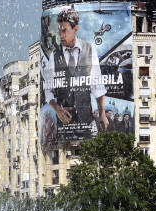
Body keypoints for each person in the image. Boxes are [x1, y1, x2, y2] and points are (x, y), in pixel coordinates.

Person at [43, 6, 108, 138]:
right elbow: (48, 90)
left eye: (64, 30)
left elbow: (98, 86)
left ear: (75, 29)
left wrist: (102, 113)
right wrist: (57, 108)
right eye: (59, 30)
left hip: (87, 122)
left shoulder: (89, 49)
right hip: (64, 125)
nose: (60, 34)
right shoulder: (54, 56)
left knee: (94, 152)